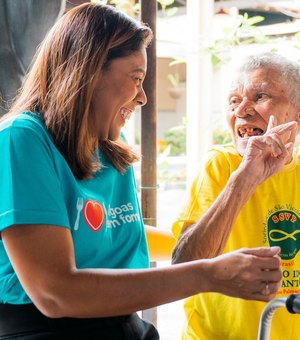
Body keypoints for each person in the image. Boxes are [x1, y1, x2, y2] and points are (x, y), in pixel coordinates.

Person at [0, 3, 288, 338]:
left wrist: (245, 182)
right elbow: (55, 292)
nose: (143, 98)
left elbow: (113, 233)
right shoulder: (21, 141)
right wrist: (208, 274)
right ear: (89, 71)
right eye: (136, 78)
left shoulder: (109, 145)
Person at [172, 52, 300, 340]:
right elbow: (183, 266)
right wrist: (247, 175)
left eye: (260, 96)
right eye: (233, 100)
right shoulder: (219, 165)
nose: (242, 110)